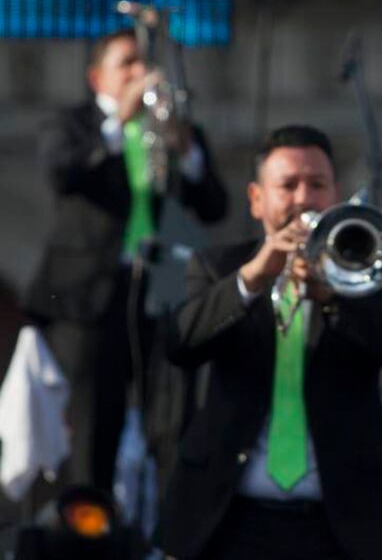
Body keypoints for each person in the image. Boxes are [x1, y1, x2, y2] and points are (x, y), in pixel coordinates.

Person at [158, 125, 382, 560]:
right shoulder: (218, 266)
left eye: (317, 184)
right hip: (230, 519)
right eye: (288, 185)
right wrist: (254, 278)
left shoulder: (367, 263)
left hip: (342, 524)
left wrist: (334, 299)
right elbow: (180, 344)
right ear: (256, 198)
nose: (303, 199)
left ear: (335, 192)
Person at [23, 29, 228, 491]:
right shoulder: (74, 124)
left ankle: (172, 530)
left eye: (145, 64)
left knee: (174, 417)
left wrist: (187, 151)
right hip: (91, 297)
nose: (140, 73)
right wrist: (120, 124)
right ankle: (92, 531)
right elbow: (63, 173)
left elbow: (215, 205)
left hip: (162, 287)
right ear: (98, 77)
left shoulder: (177, 128)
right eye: (127, 64)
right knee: (95, 424)